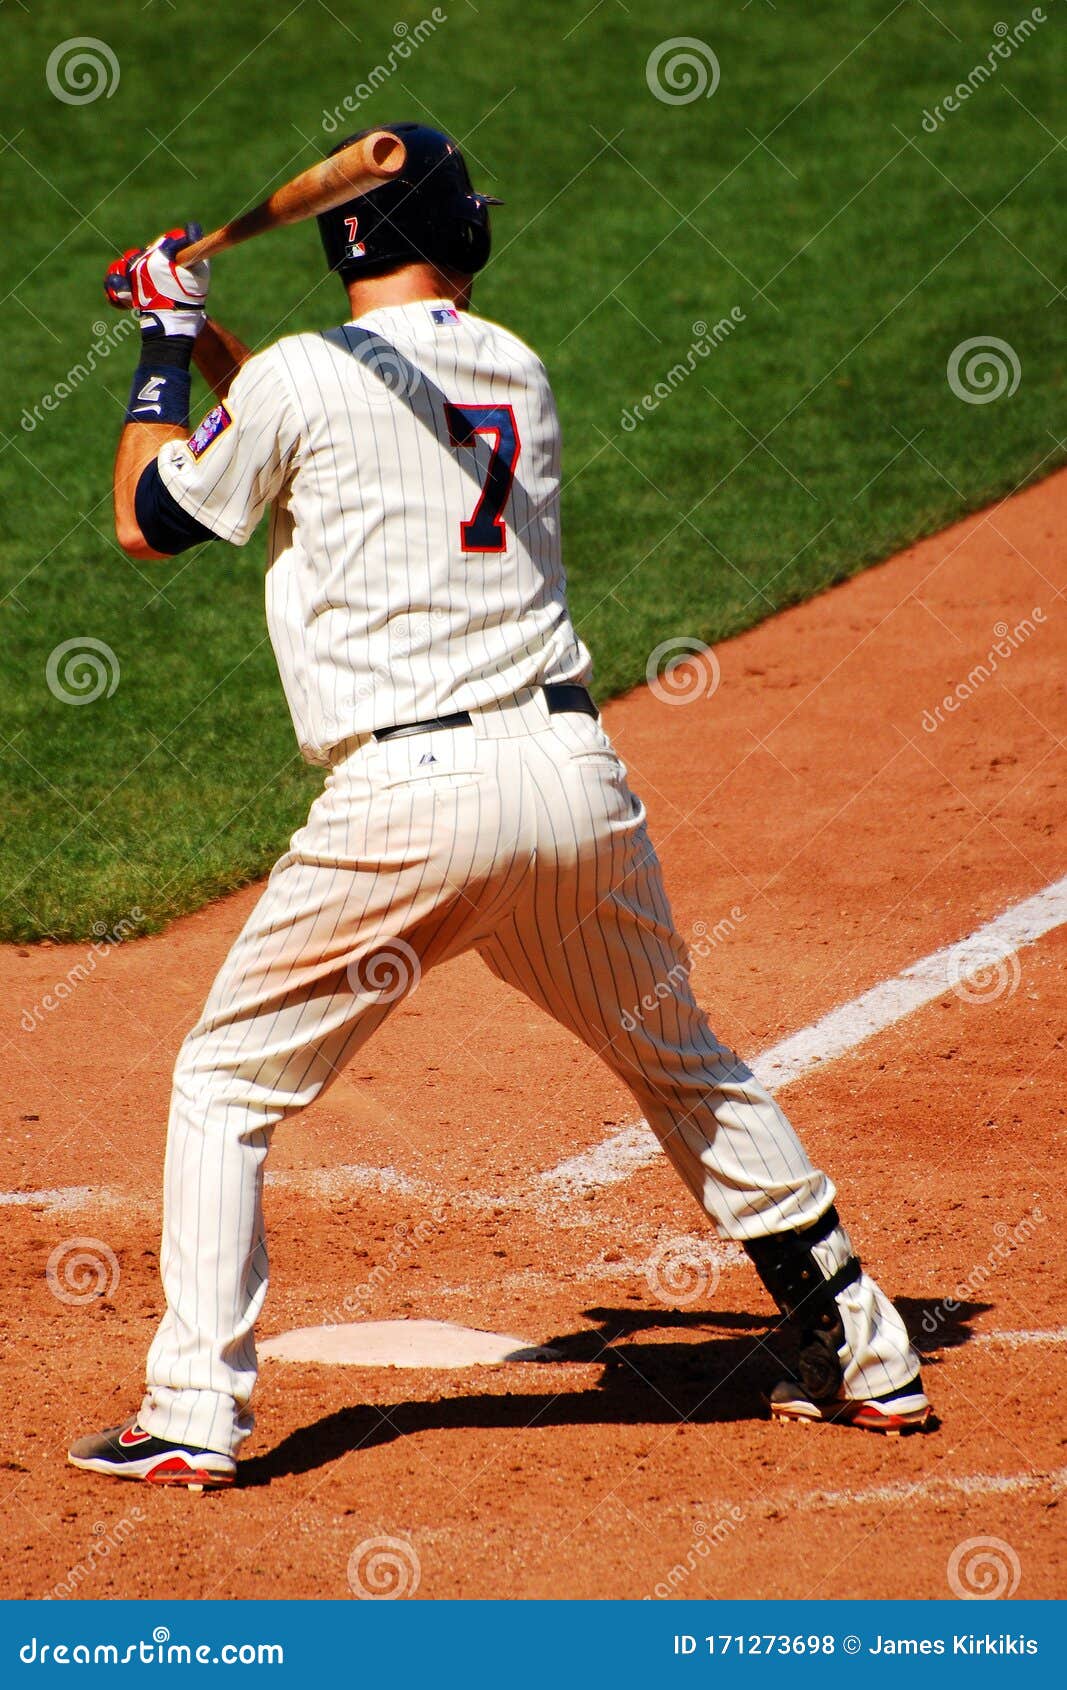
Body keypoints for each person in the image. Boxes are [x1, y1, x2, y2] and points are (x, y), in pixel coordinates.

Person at [69, 123, 931, 1489]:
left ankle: (191, 1413)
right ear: (445, 233)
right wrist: (223, 339)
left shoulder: (305, 381)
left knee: (225, 1079)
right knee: (683, 1062)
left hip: (409, 806)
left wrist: (166, 345)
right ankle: (867, 1350)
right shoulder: (512, 366)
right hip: (572, 788)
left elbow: (151, 516)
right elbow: (317, 428)